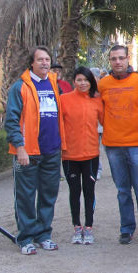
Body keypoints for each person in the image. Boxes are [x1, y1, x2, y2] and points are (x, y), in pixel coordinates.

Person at [5, 46, 67, 255]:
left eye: (47, 59)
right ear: (31, 62)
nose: (44, 63)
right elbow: (12, 121)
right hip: (28, 152)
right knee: (25, 197)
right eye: (40, 59)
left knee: (48, 196)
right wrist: (20, 147)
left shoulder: (53, 83)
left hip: (51, 151)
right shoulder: (20, 87)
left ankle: (43, 235)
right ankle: (25, 238)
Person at [98, 45, 138, 245]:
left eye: (121, 58)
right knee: (123, 190)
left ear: (127, 58)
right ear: (110, 60)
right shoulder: (103, 84)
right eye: (113, 58)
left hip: (137, 144)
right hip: (113, 145)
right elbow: (98, 111)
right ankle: (127, 228)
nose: (117, 62)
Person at [60, 66, 103, 245]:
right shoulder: (64, 99)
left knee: (89, 192)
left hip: (91, 154)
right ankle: (77, 227)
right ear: (74, 81)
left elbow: (106, 121)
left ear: (91, 82)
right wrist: (62, 146)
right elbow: (59, 124)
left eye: (86, 80)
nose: (83, 83)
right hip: (70, 155)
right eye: (79, 80)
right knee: (74, 192)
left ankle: (89, 227)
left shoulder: (97, 100)